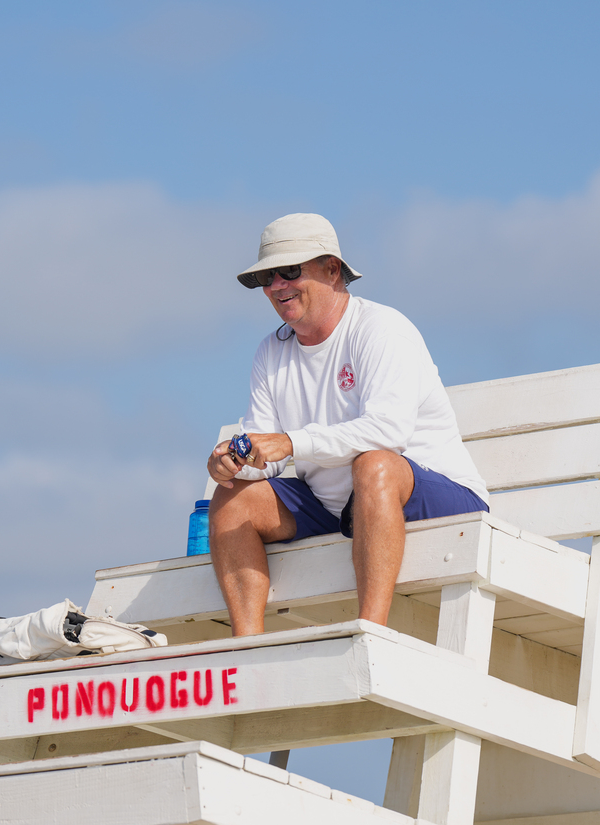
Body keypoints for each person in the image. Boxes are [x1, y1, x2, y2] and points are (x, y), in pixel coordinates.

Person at [207, 214, 490, 635]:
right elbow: (263, 457)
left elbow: (387, 433)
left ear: (333, 270)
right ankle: (247, 650)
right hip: (338, 510)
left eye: (289, 271)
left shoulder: (381, 328)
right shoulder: (270, 351)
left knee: (374, 464)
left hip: (440, 499)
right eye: (267, 277)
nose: (277, 286)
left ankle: (368, 634)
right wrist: (232, 461)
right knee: (231, 499)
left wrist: (291, 443)